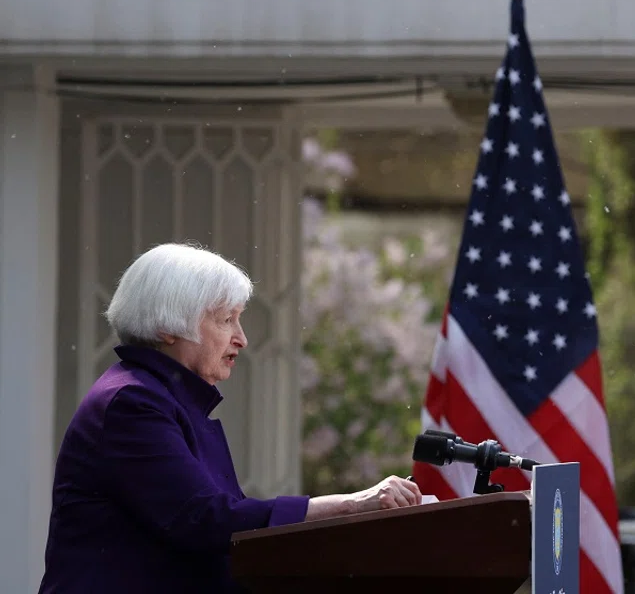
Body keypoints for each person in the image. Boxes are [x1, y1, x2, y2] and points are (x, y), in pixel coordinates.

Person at [39, 243, 422, 593]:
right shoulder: (133, 402)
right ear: (167, 326)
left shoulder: (159, 396)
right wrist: (351, 505)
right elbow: (203, 521)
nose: (242, 338)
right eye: (226, 319)